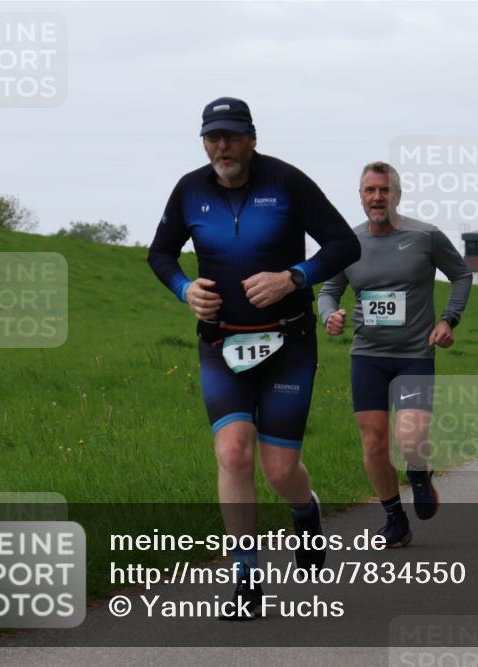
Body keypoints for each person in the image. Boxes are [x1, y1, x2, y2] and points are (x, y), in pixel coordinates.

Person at [147, 97, 361, 620]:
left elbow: (341, 243)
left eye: (231, 136)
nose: (221, 146)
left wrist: (294, 277)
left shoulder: (287, 182)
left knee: (280, 468)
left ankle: (304, 511)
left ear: (252, 138)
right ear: (204, 141)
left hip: (287, 342)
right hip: (221, 342)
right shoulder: (189, 189)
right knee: (234, 454)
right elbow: (159, 252)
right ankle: (246, 579)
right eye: (212, 137)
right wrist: (182, 288)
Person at [318, 162, 471, 547]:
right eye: (369, 190)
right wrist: (329, 315)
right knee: (372, 441)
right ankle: (394, 518)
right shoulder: (348, 244)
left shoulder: (425, 236)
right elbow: (328, 290)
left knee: (408, 438)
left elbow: (462, 275)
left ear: (397, 195)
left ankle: (419, 474)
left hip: (414, 355)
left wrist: (448, 320)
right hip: (367, 356)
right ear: (360, 196)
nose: (377, 197)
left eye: (384, 190)